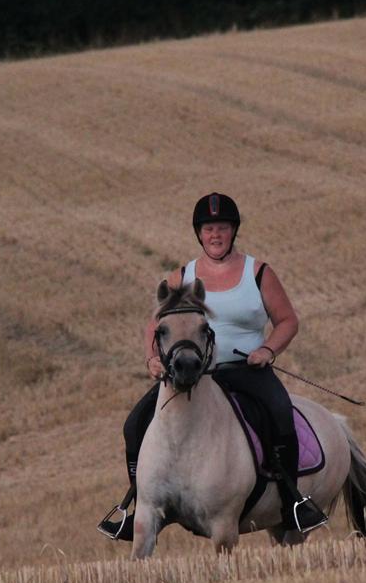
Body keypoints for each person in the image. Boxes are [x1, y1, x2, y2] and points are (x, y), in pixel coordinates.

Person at [98, 192, 329, 541]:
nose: (215, 235)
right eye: (208, 229)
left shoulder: (258, 273)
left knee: (281, 415)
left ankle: (294, 501)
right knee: (134, 426)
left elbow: (287, 321)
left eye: (222, 228)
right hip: (188, 374)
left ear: (233, 231)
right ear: (199, 234)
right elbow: (154, 325)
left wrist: (267, 349)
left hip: (246, 370)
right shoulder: (181, 278)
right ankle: (136, 503)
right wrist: (152, 358)